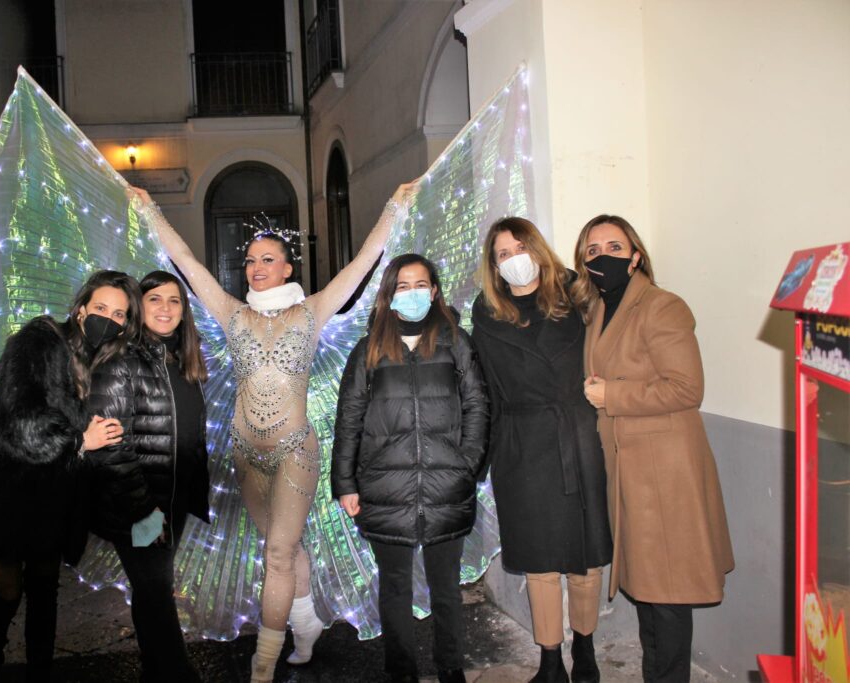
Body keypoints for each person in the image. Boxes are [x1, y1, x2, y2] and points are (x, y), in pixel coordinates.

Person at [130, 184, 413, 681]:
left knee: (278, 553)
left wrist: (394, 205)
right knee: (289, 546)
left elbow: (366, 259)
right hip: (245, 455)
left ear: (287, 269)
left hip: (294, 453)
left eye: (267, 260)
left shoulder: (313, 312)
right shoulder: (230, 312)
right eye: (250, 261)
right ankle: (306, 625)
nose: (256, 268)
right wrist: (149, 209)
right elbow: (186, 262)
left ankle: (263, 666)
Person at [0, 270, 141, 683]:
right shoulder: (38, 343)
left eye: (119, 314)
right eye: (101, 308)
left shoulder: (101, 359)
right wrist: (78, 441)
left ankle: (40, 672)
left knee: (45, 589)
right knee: (6, 591)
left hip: (52, 498)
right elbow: (19, 422)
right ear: (81, 308)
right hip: (6, 494)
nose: (109, 318)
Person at [574, 215, 734, 683]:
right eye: (591, 249)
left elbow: (687, 388)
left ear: (636, 255)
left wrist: (614, 397)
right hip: (628, 468)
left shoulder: (662, 306)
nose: (602, 255)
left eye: (614, 247)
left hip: (665, 472)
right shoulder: (600, 311)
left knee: (666, 595)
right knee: (648, 592)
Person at [331, 253, 489, 683]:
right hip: (385, 487)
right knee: (395, 587)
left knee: (446, 589)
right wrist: (345, 482)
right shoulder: (369, 349)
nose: (413, 293)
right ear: (389, 295)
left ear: (434, 292)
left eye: (421, 285)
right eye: (403, 286)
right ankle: (401, 671)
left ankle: (450, 667)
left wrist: (467, 465)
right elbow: (348, 419)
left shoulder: (457, 342)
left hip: (445, 486)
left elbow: (478, 404)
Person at [470, 218, 612, 683]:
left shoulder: (580, 296)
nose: (513, 260)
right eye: (502, 255)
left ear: (538, 248)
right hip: (522, 445)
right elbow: (486, 390)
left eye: (519, 248)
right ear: (494, 266)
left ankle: (585, 648)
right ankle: (550, 659)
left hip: (579, 434)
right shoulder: (487, 314)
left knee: (584, 557)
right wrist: (483, 457)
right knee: (540, 562)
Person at [85, 270, 211, 683]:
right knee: (158, 594)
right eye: (155, 299)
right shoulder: (121, 360)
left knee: (150, 590)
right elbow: (111, 446)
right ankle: (177, 675)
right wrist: (144, 513)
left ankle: (154, 672)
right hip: (139, 505)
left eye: (174, 301)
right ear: (139, 308)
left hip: (171, 499)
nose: (166, 308)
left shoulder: (182, 359)